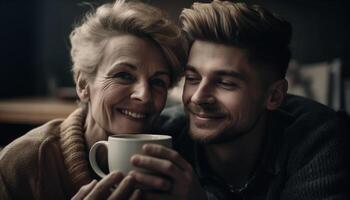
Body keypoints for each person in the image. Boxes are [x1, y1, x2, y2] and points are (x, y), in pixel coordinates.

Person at [119, 0, 349, 199]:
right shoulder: (163, 135)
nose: (198, 97)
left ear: (274, 96)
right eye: (192, 78)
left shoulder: (319, 136)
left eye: (225, 83)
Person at [0, 0, 186, 199]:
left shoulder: (180, 157)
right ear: (82, 85)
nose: (144, 95)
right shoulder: (23, 163)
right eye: (123, 75)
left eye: (158, 82)